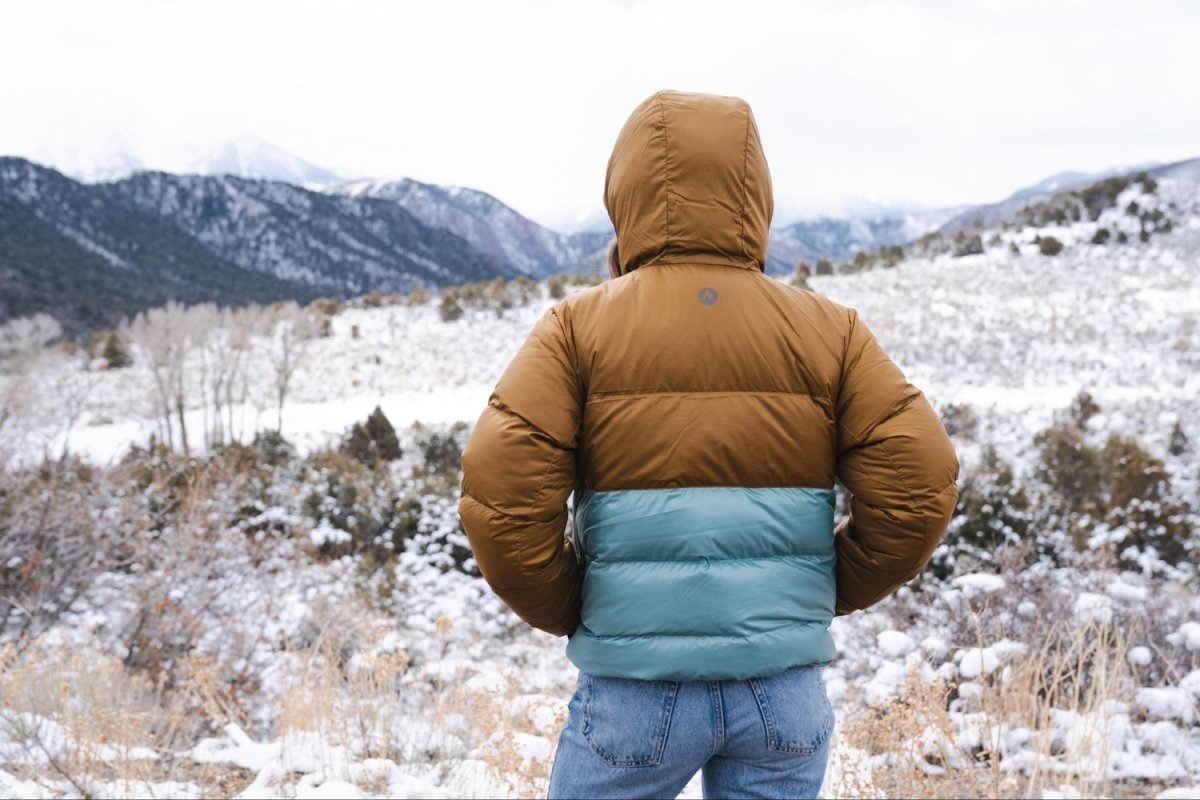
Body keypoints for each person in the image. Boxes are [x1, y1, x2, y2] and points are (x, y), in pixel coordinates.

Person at [458, 90, 958, 800]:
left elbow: (500, 488)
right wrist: (817, 587)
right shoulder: (831, 330)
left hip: (635, 694)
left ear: (623, 194)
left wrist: (575, 602)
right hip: (782, 693)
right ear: (755, 194)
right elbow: (923, 477)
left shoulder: (575, 329)